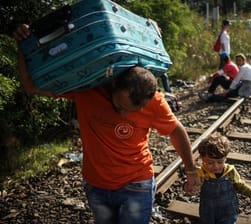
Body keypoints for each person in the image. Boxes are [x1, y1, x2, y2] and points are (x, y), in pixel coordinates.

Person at [13, 24, 201, 224]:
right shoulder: (87, 90)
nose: (123, 113)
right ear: (113, 84)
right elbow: (31, 86)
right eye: (119, 105)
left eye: (131, 111)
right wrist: (22, 45)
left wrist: (190, 170)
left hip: (136, 185)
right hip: (97, 186)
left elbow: (177, 131)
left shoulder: (155, 102)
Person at [196, 133, 251, 224]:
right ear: (202, 158)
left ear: (226, 158)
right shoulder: (201, 173)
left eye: (220, 162)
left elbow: (241, 186)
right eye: (210, 162)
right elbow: (192, 186)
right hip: (208, 211)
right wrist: (188, 187)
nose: (215, 166)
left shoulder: (230, 171)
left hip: (227, 210)